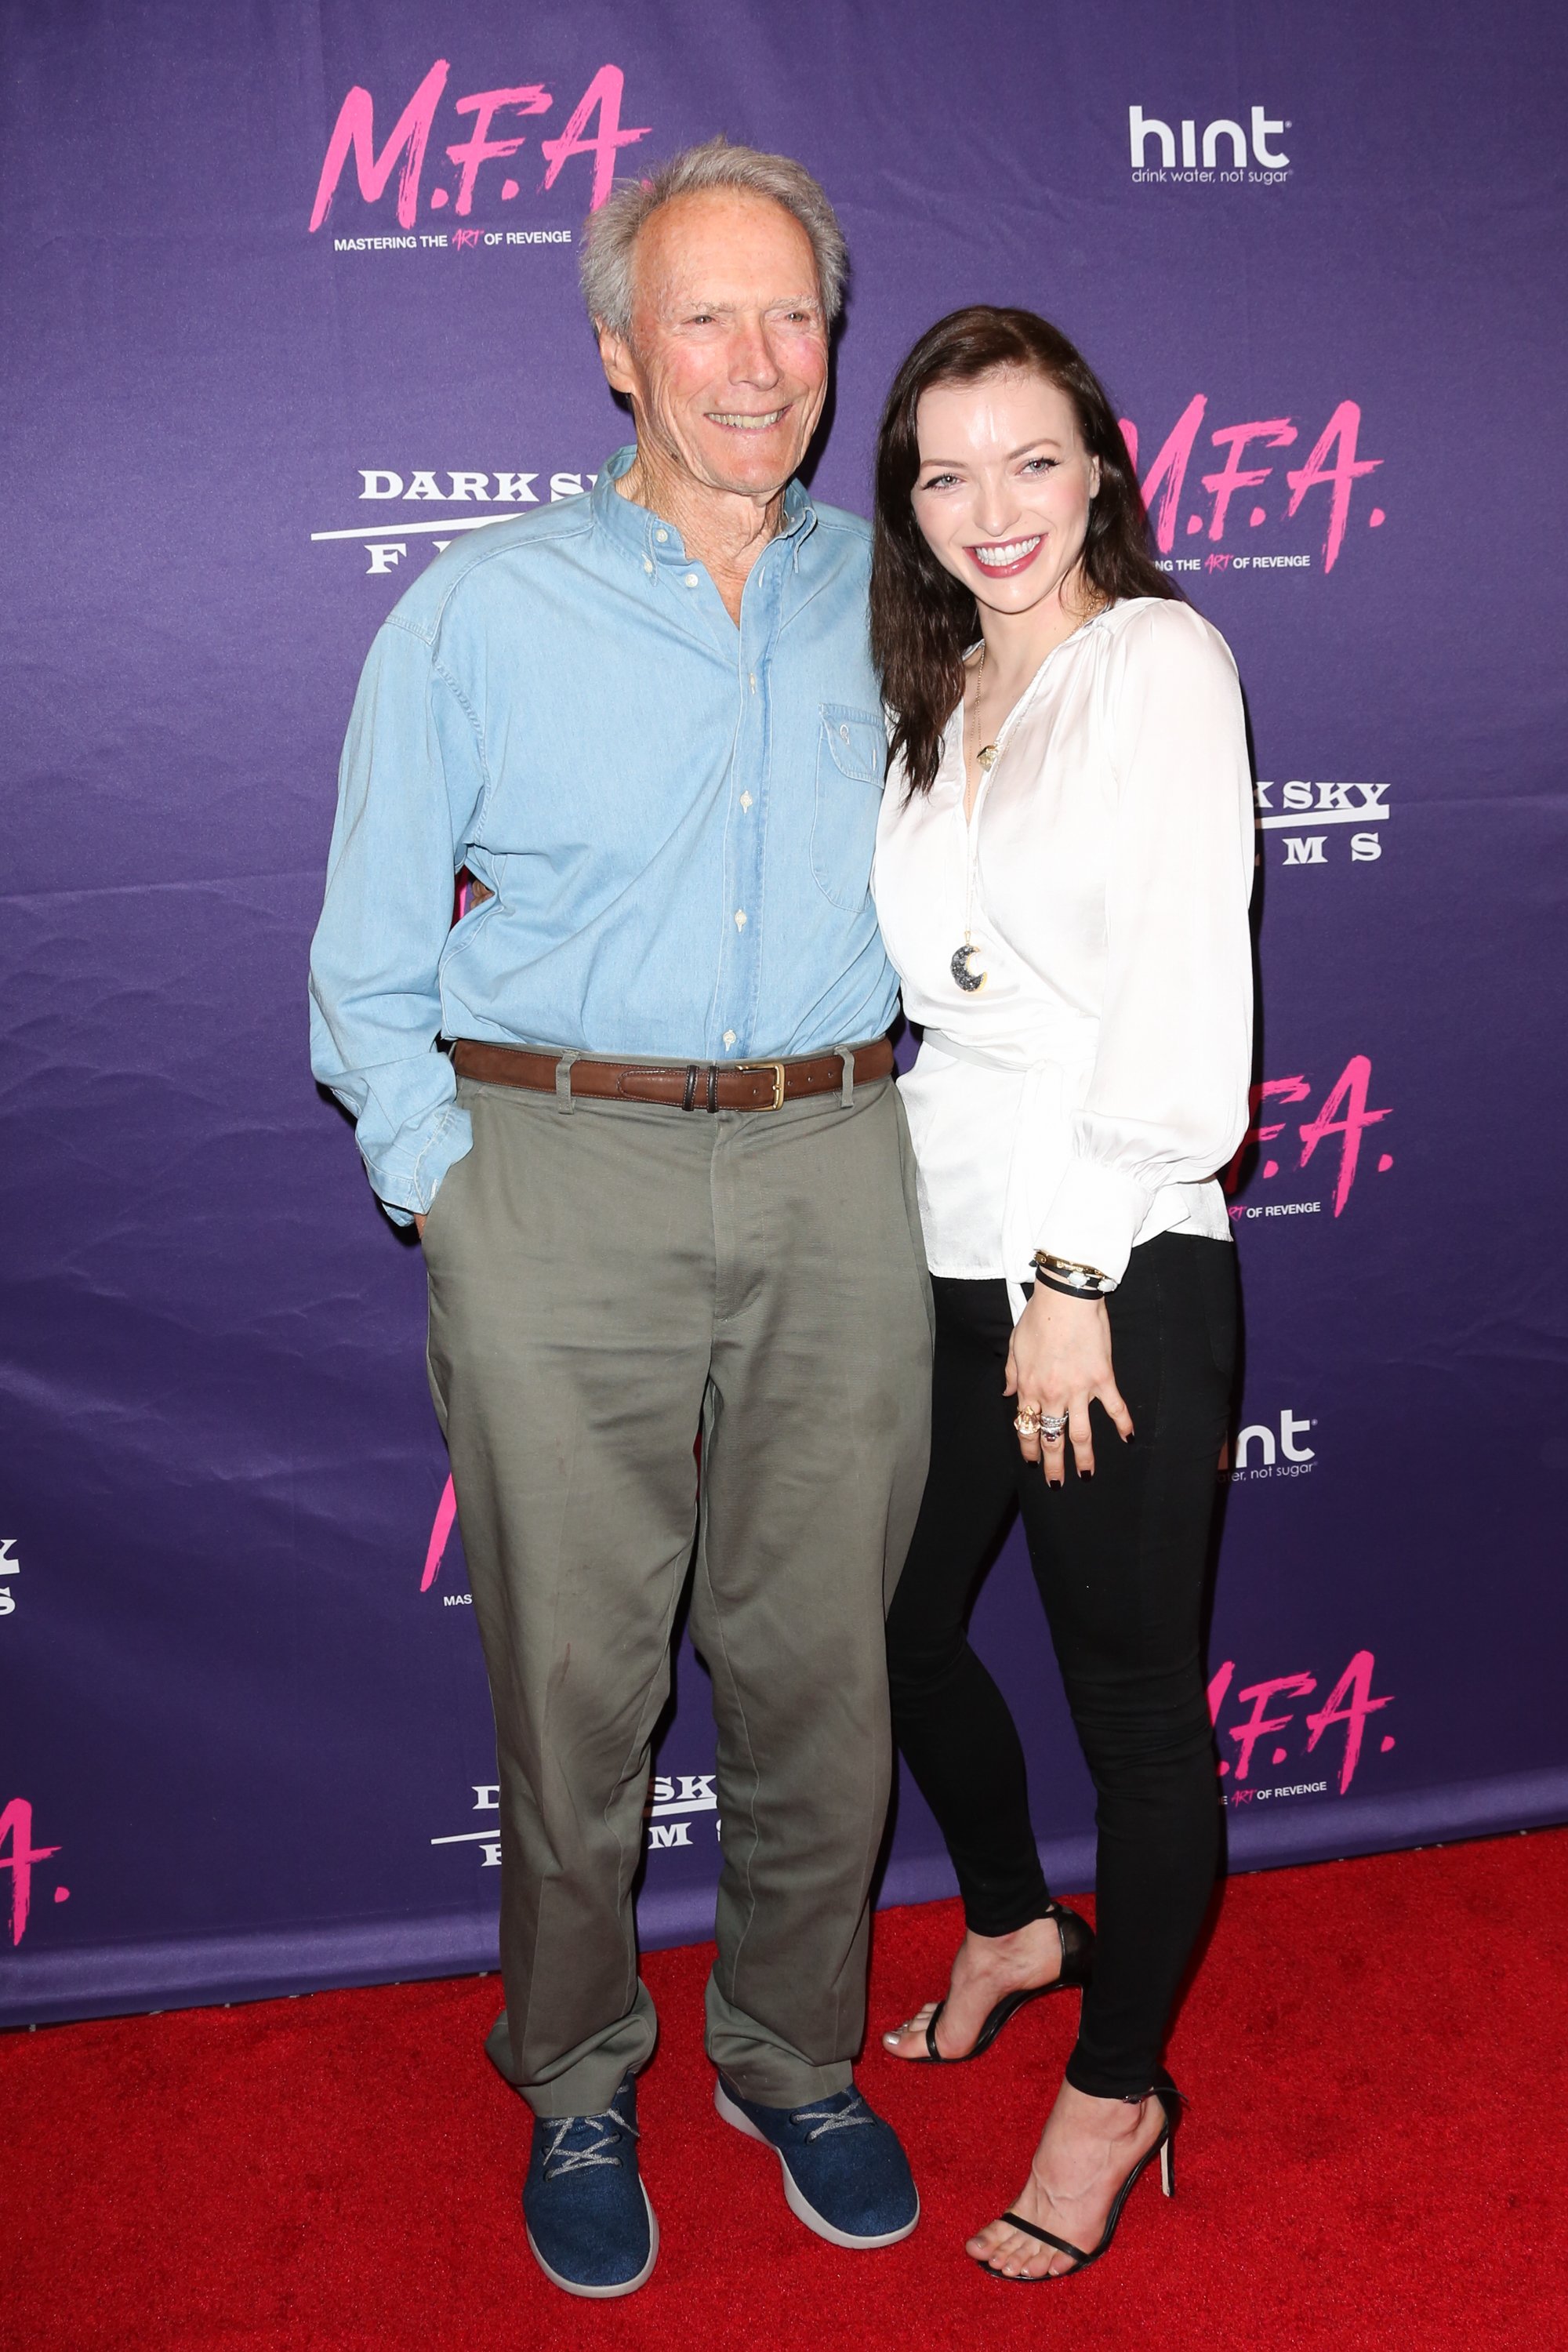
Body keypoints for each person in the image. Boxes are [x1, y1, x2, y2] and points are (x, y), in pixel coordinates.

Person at [308, 139, 932, 2300]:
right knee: (574, 1689)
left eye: (793, 316)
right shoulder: (478, 607)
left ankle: (793, 2054)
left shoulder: (907, 593)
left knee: (818, 1671)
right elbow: (364, 959)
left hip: (849, 1165)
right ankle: (576, 2076)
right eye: (706, 315)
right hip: (554, 1178)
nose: (759, 362)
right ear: (614, 350)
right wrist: (450, 1196)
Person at [868, 306, 1254, 2282]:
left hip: (1111, 1269)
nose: (991, 508)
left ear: (1102, 461)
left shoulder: (1158, 664)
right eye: (946, 472)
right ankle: (1016, 1919)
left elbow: (1184, 994)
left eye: (1030, 460)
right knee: (893, 1632)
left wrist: (1074, 1277)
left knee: (1132, 1713)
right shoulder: (930, 694)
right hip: (942, 1253)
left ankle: (1114, 2095)